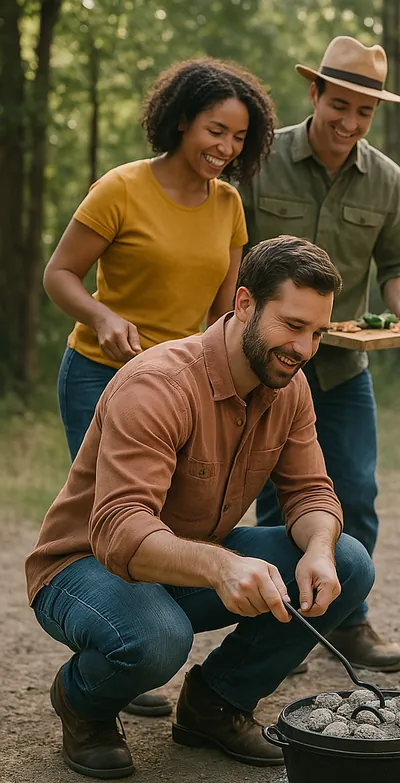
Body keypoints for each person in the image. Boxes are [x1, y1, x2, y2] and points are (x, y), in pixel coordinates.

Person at [25, 236, 375, 779]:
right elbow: (119, 531)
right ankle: (82, 705)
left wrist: (320, 552)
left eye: (317, 332)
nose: (304, 348)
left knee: (350, 563)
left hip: (186, 559)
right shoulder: (157, 384)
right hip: (82, 566)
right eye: (292, 325)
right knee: (158, 638)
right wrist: (221, 566)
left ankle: (213, 704)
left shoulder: (290, 386)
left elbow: (310, 493)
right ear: (244, 304)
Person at [43, 57, 275, 717]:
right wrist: (102, 314)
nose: (225, 149)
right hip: (100, 373)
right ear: (180, 120)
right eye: (215, 130)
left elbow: (224, 315)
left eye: (238, 139)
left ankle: (138, 647)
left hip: (181, 385)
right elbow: (59, 274)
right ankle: (119, 649)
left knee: (169, 520)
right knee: (113, 518)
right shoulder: (120, 189)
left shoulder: (228, 203)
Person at [237, 36, 400, 672]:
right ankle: (281, 625)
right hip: (265, 364)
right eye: (339, 105)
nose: (349, 122)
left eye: (364, 112)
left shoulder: (388, 180)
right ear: (314, 93)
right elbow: (228, 251)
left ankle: (348, 618)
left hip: (344, 364)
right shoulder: (260, 163)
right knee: (278, 497)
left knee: (356, 492)